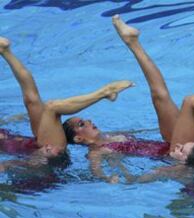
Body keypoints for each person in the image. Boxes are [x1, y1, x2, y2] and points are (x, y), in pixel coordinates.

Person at [63, 15, 194, 168]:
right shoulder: (96, 153)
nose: (89, 121)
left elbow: (142, 140)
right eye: (82, 124)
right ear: (79, 139)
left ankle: (132, 41)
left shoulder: (112, 135)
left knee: (159, 96)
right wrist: (116, 177)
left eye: (84, 119)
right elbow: (97, 173)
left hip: (167, 143)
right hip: (177, 152)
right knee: (190, 103)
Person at [0, 36, 133, 165]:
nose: (89, 122)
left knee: (32, 101)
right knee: (52, 107)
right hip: (49, 156)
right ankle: (103, 93)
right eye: (82, 124)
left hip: (38, 144)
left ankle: (5, 51)